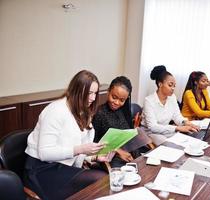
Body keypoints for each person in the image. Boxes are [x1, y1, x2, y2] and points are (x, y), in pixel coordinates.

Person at [23, 70, 114, 200]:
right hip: (41, 170)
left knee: (103, 179)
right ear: (76, 91)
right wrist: (81, 149)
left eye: (95, 93)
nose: (93, 98)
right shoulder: (55, 110)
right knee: (99, 180)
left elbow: (75, 150)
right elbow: (45, 153)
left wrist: (94, 158)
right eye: (89, 93)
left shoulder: (83, 111)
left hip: (63, 167)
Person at [93, 76, 151, 168]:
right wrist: (118, 151)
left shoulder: (123, 110)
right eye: (114, 97)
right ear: (108, 91)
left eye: (122, 100)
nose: (116, 102)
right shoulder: (99, 113)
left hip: (129, 151)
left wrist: (135, 130)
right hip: (109, 156)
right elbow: (94, 142)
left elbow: (127, 134)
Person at [141, 65, 199, 145]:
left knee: (186, 139)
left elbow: (177, 116)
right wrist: (177, 128)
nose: (173, 88)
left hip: (165, 131)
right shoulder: (149, 101)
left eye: (174, 86)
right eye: (170, 85)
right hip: (150, 133)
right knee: (168, 143)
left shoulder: (172, 98)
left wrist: (185, 122)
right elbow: (153, 127)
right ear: (160, 84)